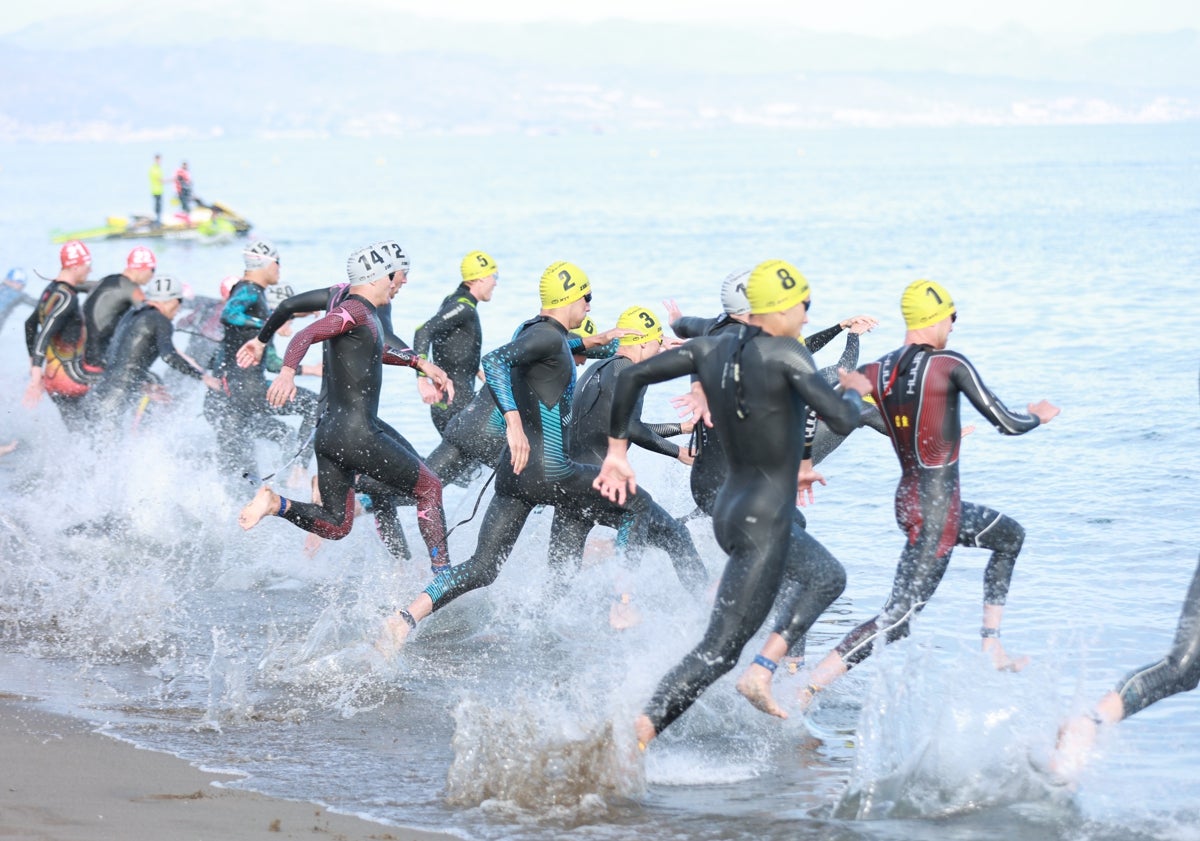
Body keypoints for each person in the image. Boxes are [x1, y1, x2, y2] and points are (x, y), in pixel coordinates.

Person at [593, 259, 871, 746]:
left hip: (726, 509)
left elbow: (635, 376)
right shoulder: (787, 355)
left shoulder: (710, 347)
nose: (806, 316)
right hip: (762, 512)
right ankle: (765, 671)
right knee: (827, 577)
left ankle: (640, 730)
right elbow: (840, 418)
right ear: (772, 311)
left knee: (719, 649)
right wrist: (855, 391)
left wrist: (618, 452)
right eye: (801, 307)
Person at [374, 261, 704, 655]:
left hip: (514, 475)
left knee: (483, 567)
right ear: (571, 298)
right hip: (551, 470)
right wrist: (512, 422)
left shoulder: (538, 332)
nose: (589, 305)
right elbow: (493, 361)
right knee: (637, 502)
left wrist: (618, 341)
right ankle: (624, 605)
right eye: (588, 297)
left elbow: (568, 349)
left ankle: (405, 618)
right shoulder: (548, 339)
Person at [796, 279, 1060, 713]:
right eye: (952, 317)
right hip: (937, 509)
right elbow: (1006, 422)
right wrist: (1037, 415)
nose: (954, 327)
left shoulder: (875, 371)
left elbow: (820, 409)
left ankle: (992, 646)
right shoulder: (949, 363)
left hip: (910, 501)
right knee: (898, 619)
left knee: (1010, 536)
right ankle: (809, 687)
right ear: (936, 318)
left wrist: (804, 462)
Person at [237, 241, 456, 574]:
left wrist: (420, 364)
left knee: (337, 525)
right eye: (400, 276)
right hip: (357, 433)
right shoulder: (355, 310)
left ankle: (276, 503)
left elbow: (378, 350)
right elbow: (306, 335)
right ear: (382, 275)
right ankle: (443, 576)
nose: (404, 283)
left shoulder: (362, 314)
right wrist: (286, 373)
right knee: (430, 487)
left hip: (328, 435)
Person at [554, 304, 706, 597]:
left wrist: (681, 427)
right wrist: (679, 452)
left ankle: (532, 628)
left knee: (561, 576)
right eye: (656, 344)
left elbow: (621, 424)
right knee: (676, 536)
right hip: (602, 481)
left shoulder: (600, 368)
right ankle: (704, 607)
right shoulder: (631, 374)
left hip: (571, 481)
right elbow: (633, 430)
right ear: (643, 343)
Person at [210, 240, 318, 480]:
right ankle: (298, 472)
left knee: (243, 471)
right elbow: (230, 314)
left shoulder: (247, 290)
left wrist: (291, 314)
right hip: (251, 389)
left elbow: (253, 325)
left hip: (233, 393)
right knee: (316, 405)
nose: (280, 269)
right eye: (278, 263)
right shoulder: (250, 289)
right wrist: (271, 324)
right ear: (267, 263)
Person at [87, 274, 222, 433]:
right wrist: (203, 377)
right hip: (116, 399)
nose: (179, 309)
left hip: (100, 391)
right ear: (171, 301)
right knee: (107, 451)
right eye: (180, 302)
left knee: (95, 451)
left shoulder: (132, 315)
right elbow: (169, 355)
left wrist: (143, 385)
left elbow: (121, 359)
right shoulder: (160, 320)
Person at [413, 250, 498, 435]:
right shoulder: (463, 307)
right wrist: (422, 379)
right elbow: (424, 330)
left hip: (450, 401)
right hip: (455, 401)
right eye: (494, 276)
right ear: (481, 278)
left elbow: (449, 342)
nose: (496, 282)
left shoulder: (453, 301)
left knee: (465, 461)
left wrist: (474, 368)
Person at [23, 241, 98, 430]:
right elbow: (44, 335)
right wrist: (34, 378)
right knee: (126, 380)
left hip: (54, 378)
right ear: (75, 266)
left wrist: (36, 367)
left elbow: (29, 325)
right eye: (87, 266)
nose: (90, 270)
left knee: (79, 429)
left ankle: (75, 459)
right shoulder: (67, 299)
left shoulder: (50, 291)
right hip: (72, 378)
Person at [82, 246, 156, 370]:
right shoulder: (131, 287)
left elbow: (77, 285)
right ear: (142, 268)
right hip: (98, 357)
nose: (153, 276)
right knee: (151, 380)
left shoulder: (107, 280)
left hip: (83, 352)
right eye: (153, 269)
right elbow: (152, 314)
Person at [149, 154, 164, 225]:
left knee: (159, 207)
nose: (159, 161)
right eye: (158, 159)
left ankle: (158, 220)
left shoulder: (158, 168)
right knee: (157, 207)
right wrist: (173, 180)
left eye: (160, 159)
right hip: (155, 191)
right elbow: (160, 180)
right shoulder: (154, 169)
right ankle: (157, 221)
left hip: (159, 190)